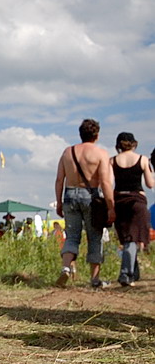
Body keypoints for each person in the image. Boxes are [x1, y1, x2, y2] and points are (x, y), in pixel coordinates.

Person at [54, 119, 115, 288]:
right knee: (94, 237)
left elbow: (60, 179)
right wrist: (111, 207)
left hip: (70, 194)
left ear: (80, 134)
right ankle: (94, 279)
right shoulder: (101, 154)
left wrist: (59, 202)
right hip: (92, 197)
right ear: (97, 135)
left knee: (72, 235)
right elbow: (106, 182)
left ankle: (66, 267)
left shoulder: (67, 152)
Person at [110, 132, 154, 287]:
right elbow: (150, 184)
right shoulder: (142, 160)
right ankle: (126, 274)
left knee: (128, 239)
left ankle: (134, 273)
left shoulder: (112, 161)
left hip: (120, 201)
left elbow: (108, 184)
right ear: (134, 143)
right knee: (132, 239)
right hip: (137, 201)